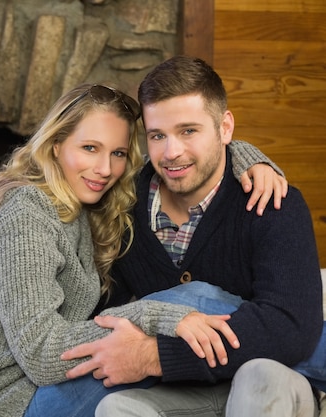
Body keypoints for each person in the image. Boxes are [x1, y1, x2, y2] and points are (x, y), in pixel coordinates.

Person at [0, 81, 288, 417]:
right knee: (188, 300)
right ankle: (295, 346)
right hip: (11, 407)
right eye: (90, 148)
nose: (105, 169)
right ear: (55, 145)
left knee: (188, 331)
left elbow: (182, 163)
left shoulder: (80, 200)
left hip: (43, 392)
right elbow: (42, 354)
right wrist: (155, 316)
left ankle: (283, 352)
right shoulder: (24, 215)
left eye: (118, 153)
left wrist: (243, 156)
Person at [62, 56, 325, 416]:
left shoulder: (273, 203)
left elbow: (290, 326)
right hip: (179, 392)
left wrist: (157, 355)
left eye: (189, 131)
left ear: (225, 127)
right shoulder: (119, 209)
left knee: (259, 375)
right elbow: (110, 315)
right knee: (116, 408)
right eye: (158, 135)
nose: (172, 153)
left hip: (270, 371)